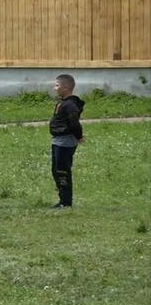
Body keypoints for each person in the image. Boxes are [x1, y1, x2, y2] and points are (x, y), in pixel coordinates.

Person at [49, 74, 85, 208]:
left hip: (65, 142)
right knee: (56, 171)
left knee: (62, 171)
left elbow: (74, 123)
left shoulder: (70, 104)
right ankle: (62, 199)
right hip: (57, 141)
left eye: (57, 85)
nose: (54, 88)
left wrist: (79, 136)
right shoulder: (62, 102)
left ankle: (66, 202)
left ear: (66, 87)